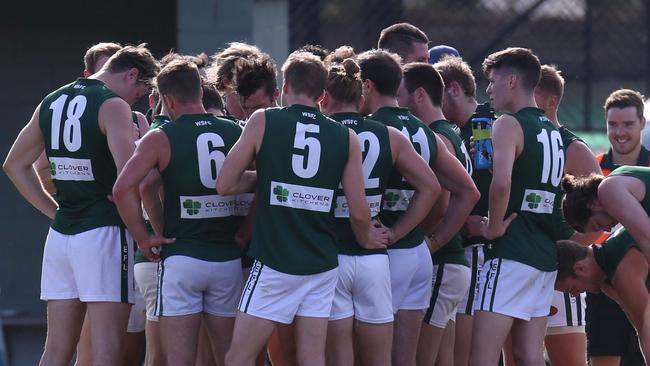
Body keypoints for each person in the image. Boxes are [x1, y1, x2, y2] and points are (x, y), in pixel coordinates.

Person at [218, 51, 389, 366]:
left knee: (237, 357)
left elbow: (225, 184)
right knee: (312, 358)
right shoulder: (345, 136)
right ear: (322, 95)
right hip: (321, 262)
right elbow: (360, 211)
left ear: (283, 88)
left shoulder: (263, 119)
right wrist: (366, 239)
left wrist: (268, 178)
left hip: (275, 259)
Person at [3, 45, 158, 366]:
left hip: (61, 236)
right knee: (106, 352)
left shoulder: (53, 98)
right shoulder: (113, 105)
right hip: (104, 234)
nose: (139, 99)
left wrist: (55, 211)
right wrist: (144, 232)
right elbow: (129, 175)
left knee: (56, 351)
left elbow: (15, 164)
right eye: (142, 89)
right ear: (131, 75)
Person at [113, 59, 244, 365]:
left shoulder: (160, 137)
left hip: (182, 259)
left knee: (179, 359)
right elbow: (262, 184)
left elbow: (124, 189)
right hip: (227, 258)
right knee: (228, 357)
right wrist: (244, 232)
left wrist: (145, 238)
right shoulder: (235, 130)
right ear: (201, 90)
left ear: (167, 100)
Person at [358, 49, 478, 366]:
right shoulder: (426, 130)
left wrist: (399, 233)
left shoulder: (368, 129)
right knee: (407, 358)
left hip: (385, 253)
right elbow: (468, 192)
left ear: (367, 86)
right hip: (417, 256)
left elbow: (441, 194)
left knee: (370, 354)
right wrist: (425, 241)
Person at [321, 58, 440, 366]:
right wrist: (396, 233)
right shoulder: (389, 135)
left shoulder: (321, 133)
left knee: (340, 355)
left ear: (325, 97)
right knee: (379, 357)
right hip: (374, 256)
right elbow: (431, 187)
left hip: (331, 252)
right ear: (361, 95)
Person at [470, 47, 563, 366]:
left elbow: (502, 184)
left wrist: (493, 226)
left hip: (511, 253)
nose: (489, 89)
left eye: (493, 81)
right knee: (528, 356)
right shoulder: (552, 129)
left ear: (512, 81)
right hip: (542, 257)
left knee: (481, 356)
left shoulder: (508, 123)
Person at [397, 62, 478, 366]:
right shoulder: (450, 132)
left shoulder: (437, 137)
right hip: (452, 264)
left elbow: (442, 203)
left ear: (418, 95)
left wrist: (430, 243)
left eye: (399, 93)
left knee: (419, 358)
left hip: (444, 262)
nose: (396, 101)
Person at [534, 64, 602, 366]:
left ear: (550, 101)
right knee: (520, 356)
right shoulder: (514, 138)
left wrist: (568, 253)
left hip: (558, 273)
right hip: (520, 261)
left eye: (529, 94)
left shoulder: (572, 148)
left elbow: (603, 214)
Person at [433, 55, 488, 366]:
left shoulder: (482, 125)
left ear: (453, 89)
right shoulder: (458, 129)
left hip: (477, 245)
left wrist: (482, 220)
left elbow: (489, 180)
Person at [555, 229, 650, 363]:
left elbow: (646, 328)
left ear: (580, 268)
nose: (576, 294)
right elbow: (640, 328)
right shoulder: (606, 283)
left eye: (573, 289)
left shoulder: (621, 270)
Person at [208, 42, 262, 120]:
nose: (254, 84)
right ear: (226, 81)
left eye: (258, 79)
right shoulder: (214, 121)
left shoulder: (264, 120)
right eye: (247, 78)